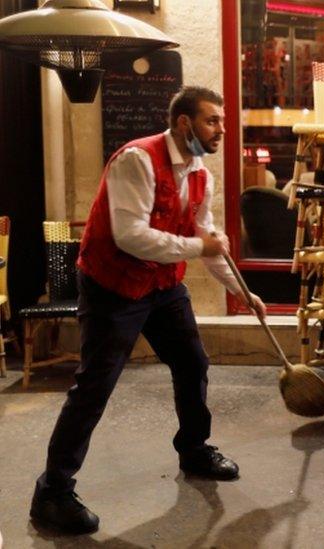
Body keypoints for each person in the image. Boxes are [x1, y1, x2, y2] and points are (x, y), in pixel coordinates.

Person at [30, 86, 267, 535]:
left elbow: (212, 244)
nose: (221, 129)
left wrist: (243, 292)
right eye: (212, 120)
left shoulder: (200, 174)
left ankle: (194, 449)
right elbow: (130, 236)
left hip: (162, 285)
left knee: (192, 361)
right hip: (112, 286)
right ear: (184, 123)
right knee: (95, 386)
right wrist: (200, 245)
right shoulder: (136, 160)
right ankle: (52, 493)